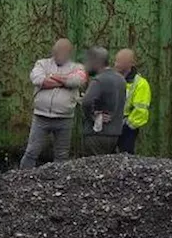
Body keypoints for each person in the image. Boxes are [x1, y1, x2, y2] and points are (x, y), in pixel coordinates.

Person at [19, 38, 87, 168]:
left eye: (62, 52)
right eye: (56, 52)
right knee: (31, 152)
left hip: (65, 118)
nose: (58, 55)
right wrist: (65, 82)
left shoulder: (78, 67)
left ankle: (59, 183)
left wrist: (51, 76)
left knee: (62, 155)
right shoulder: (42, 64)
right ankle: (22, 177)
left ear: (69, 53)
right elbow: (37, 79)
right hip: (41, 116)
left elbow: (77, 81)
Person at [81, 46, 125, 156]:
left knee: (94, 168)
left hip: (97, 134)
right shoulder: (120, 79)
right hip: (115, 134)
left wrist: (93, 116)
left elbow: (86, 102)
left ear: (96, 62)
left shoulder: (99, 80)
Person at [114, 48, 151, 154]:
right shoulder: (112, 78)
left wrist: (127, 126)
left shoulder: (140, 84)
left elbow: (141, 111)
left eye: (119, 61)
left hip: (127, 128)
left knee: (125, 156)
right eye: (116, 60)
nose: (116, 64)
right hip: (109, 125)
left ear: (130, 63)